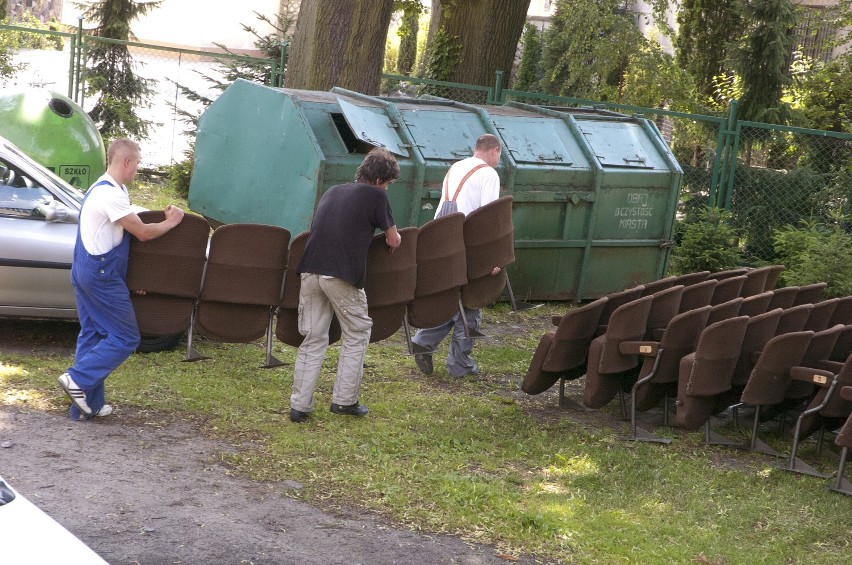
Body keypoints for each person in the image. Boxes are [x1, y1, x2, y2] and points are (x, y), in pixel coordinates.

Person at [57, 139, 184, 421]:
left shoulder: (104, 188)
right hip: (101, 275)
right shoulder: (110, 195)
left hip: (84, 269)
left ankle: (86, 407)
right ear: (126, 162)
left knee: (93, 334)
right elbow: (143, 233)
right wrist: (171, 222)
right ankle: (77, 379)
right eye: (137, 163)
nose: (137, 169)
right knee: (126, 337)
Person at [289, 147, 401, 423]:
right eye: (388, 183)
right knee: (357, 332)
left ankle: (299, 406)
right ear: (379, 180)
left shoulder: (333, 191)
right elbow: (393, 239)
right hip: (341, 274)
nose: (386, 188)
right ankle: (344, 401)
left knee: (314, 338)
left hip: (310, 270)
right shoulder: (377, 195)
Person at [412, 133, 503, 377]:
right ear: (494, 150)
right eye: (499, 156)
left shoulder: (455, 167)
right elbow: (488, 217)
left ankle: (424, 340)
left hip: (443, 239)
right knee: (473, 299)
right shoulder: (488, 174)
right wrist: (492, 258)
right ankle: (459, 364)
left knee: (455, 297)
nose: (498, 160)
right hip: (468, 242)